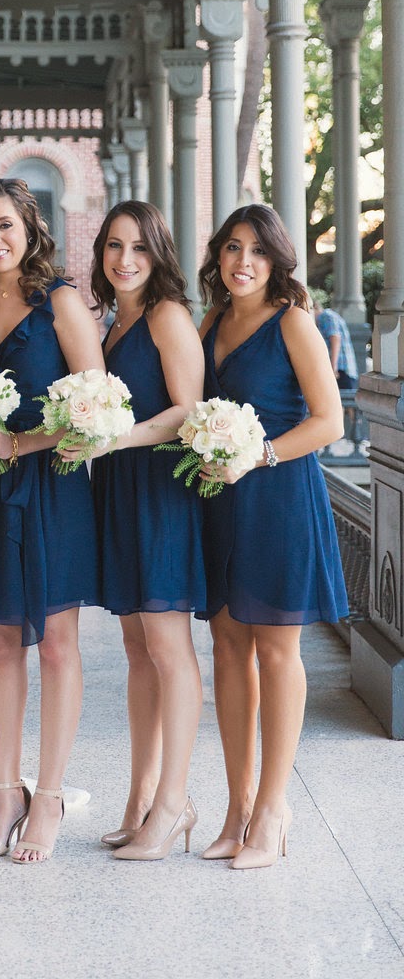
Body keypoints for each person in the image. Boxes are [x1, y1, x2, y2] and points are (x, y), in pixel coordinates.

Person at [0, 177, 103, 865]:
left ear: (30, 227)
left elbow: (101, 408)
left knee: (58, 645)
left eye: (5, 225)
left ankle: (51, 796)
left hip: (52, 485)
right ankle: (6, 791)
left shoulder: (62, 301)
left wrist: (24, 442)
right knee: (0, 644)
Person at [199, 204, 347, 870]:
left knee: (277, 652)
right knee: (228, 649)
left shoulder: (293, 321)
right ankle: (236, 807)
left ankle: (272, 809)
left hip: (279, 495)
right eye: (233, 247)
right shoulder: (211, 320)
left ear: (277, 260)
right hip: (218, 502)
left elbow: (329, 420)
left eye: (258, 251)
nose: (243, 262)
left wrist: (255, 456)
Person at [86, 201, 206, 861]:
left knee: (168, 647)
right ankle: (141, 798)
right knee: (137, 650)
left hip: (160, 491)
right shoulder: (114, 322)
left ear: (158, 254)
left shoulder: (166, 315)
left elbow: (188, 410)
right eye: (114, 245)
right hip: (119, 490)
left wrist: (113, 440)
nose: (125, 259)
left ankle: (174, 802)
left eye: (138, 247)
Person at [312, 290, 359, 391]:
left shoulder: (325, 316)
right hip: (345, 369)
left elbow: (335, 339)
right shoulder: (328, 316)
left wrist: (333, 367)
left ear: (313, 308)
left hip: (341, 369)